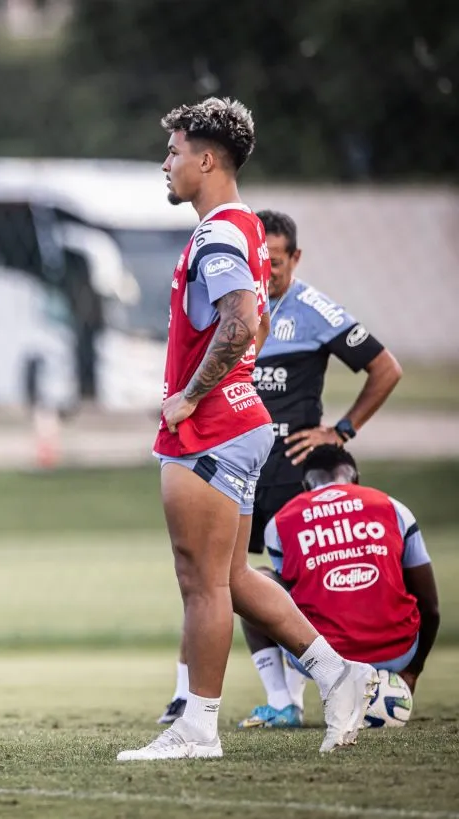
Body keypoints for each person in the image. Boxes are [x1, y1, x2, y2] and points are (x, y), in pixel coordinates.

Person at [117, 98, 376, 762]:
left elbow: (237, 324)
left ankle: (198, 729)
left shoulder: (221, 233)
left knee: (201, 581)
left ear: (206, 159)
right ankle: (338, 674)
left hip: (210, 429)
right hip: (238, 421)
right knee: (227, 576)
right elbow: (255, 326)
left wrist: (188, 396)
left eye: (173, 152)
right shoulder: (247, 229)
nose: (165, 164)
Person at [158, 210, 404, 728]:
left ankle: (309, 683)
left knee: (233, 577)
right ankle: (275, 692)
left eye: (274, 261)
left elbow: (386, 368)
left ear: (294, 258)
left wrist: (341, 430)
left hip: (288, 471)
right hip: (241, 454)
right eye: (259, 261)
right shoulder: (238, 300)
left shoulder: (311, 308)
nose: (265, 272)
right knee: (214, 576)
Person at [256, 445, 439, 701]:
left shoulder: (279, 523)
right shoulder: (394, 509)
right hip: (398, 654)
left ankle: (282, 703)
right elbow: (431, 607)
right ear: (356, 479)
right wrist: (413, 670)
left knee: (254, 581)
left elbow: (289, 602)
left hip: (323, 662)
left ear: (306, 487)